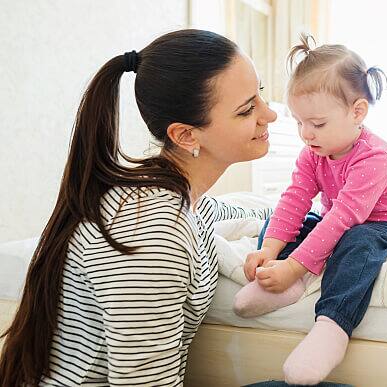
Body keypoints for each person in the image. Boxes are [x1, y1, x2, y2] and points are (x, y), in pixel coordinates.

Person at [0, 29, 276, 386]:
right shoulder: (151, 233)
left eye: (261, 94)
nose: (268, 115)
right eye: (247, 109)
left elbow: (236, 213)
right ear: (186, 135)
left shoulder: (176, 194)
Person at [233, 34, 387, 385]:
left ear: (357, 112)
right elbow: (295, 200)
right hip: (339, 220)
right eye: (299, 122)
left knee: (358, 243)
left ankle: (332, 325)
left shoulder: (374, 159)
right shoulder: (313, 153)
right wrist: (269, 251)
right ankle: (288, 284)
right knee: (283, 218)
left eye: (317, 124)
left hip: (384, 227)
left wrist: (295, 262)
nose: (306, 134)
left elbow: (343, 218)